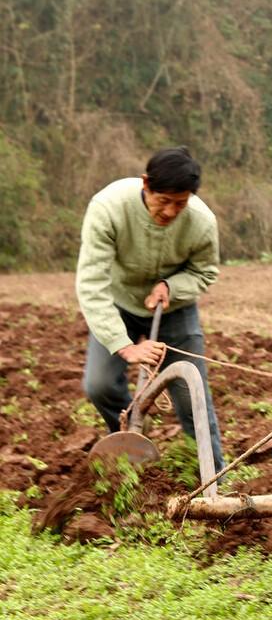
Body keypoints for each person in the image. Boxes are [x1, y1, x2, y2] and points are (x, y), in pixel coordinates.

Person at [76, 146, 225, 472]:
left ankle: (213, 476)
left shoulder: (200, 221)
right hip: (118, 303)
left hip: (174, 309)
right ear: (146, 184)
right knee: (98, 384)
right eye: (164, 201)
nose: (171, 211)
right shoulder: (109, 208)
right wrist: (124, 346)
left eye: (180, 203)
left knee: (192, 397)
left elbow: (205, 271)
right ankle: (128, 444)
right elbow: (91, 284)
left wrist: (173, 286)